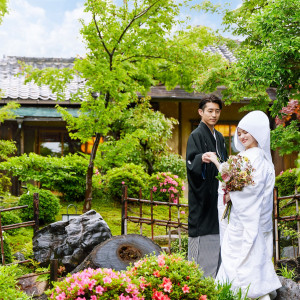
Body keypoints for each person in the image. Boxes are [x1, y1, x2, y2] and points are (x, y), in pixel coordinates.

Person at [207, 111, 281, 300]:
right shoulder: (259, 156)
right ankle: (253, 289)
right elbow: (241, 183)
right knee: (248, 253)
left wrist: (230, 190)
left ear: (257, 132)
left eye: (246, 132)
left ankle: (243, 291)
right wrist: (228, 181)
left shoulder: (252, 157)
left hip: (244, 215)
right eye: (239, 133)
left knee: (239, 253)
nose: (242, 137)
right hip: (247, 214)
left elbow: (249, 188)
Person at [186, 95, 228, 278]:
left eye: (217, 111)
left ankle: (214, 278)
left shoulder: (219, 136)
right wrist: (200, 159)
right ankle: (197, 279)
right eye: (210, 111)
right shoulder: (195, 135)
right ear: (200, 112)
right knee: (202, 231)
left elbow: (224, 163)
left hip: (218, 194)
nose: (214, 115)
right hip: (203, 196)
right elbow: (190, 161)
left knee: (219, 229)